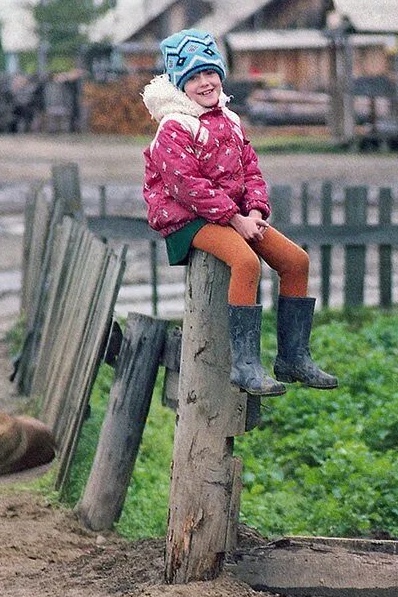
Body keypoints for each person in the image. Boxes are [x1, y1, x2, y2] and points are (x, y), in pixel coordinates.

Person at [141, 28, 336, 396]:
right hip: (189, 219)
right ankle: (244, 365)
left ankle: (293, 357)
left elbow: (250, 169)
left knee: (296, 261)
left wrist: (257, 210)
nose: (204, 82)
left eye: (210, 72)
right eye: (193, 76)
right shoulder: (174, 126)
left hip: (234, 215)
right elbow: (188, 187)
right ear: (180, 84)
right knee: (246, 263)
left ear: (221, 74)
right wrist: (235, 219)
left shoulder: (229, 119)